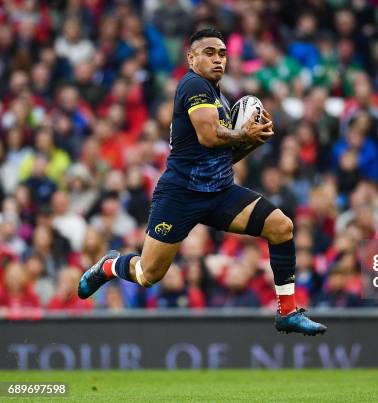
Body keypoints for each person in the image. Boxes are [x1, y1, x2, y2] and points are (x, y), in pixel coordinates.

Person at [77, 28, 326, 336]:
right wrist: (243, 134)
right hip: (180, 196)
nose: (218, 59)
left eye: (222, 53)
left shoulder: (218, 98)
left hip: (219, 193)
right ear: (191, 58)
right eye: (209, 53)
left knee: (281, 227)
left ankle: (287, 312)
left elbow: (220, 157)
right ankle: (109, 266)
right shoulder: (193, 84)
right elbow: (209, 137)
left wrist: (252, 142)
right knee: (148, 274)